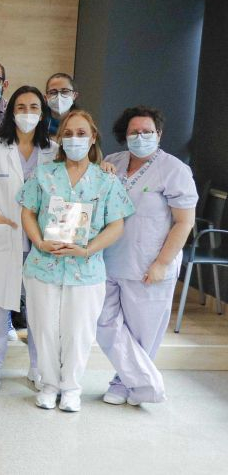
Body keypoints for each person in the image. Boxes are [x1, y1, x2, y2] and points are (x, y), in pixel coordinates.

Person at [19, 109, 135, 412]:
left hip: (86, 268)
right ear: (60, 139)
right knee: (44, 329)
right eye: (68, 134)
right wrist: (39, 242)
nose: (74, 139)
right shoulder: (44, 174)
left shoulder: (106, 180)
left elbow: (117, 225)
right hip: (44, 265)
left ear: (93, 137)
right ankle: (49, 385)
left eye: (81, 133)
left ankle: (71, 388)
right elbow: (27, 212)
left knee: (78, 331)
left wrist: (88, 249)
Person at [97, 106, 198, 406]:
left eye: (147, 131)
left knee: (142, 334)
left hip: (148, 264)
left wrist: (161, 264)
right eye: (134, 132)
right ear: (124, 135)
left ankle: (124, 384)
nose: (141, 137)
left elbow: (184, 222)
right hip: (109, 258)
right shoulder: (113, 161)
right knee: (104, 322)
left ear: (159, 134)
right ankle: (146, 385)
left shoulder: (174, 170)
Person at [0, 86, 58, 392]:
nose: (27, 113)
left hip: (41, 240)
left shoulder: (54, 150)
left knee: (39, 306)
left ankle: (38, 366)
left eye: (33, 107)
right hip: (5, 233)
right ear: (11, 113)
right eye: (21, 107)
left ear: (42, 112)